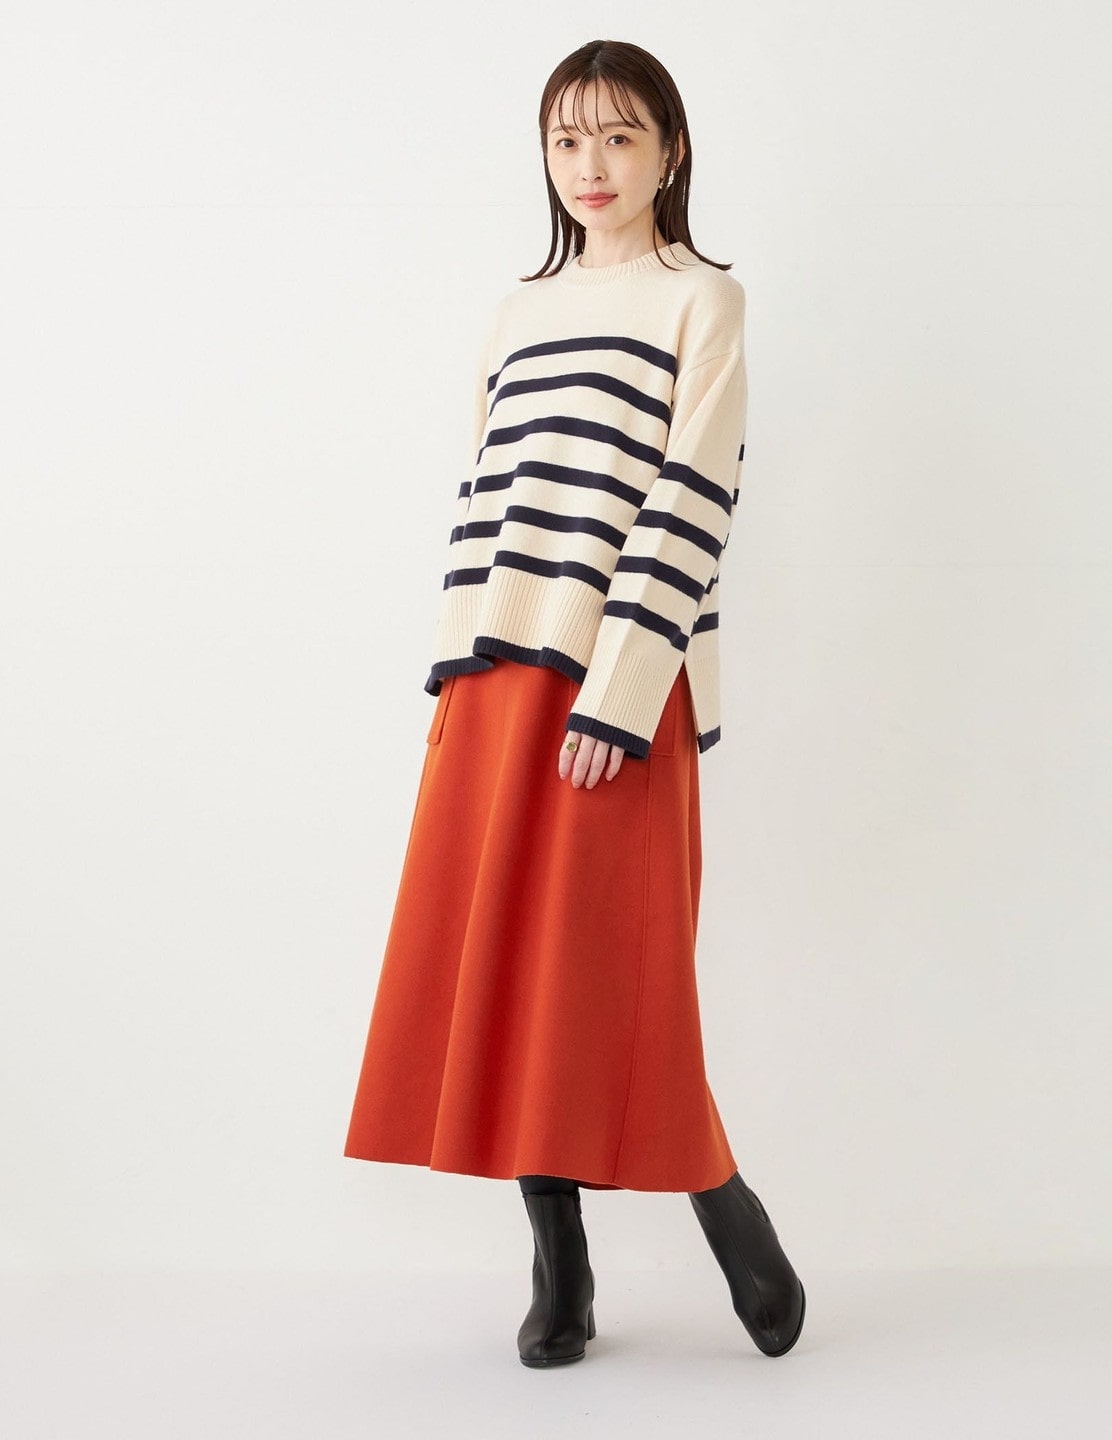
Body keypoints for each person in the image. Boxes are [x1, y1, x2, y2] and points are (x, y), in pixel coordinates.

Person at [343, 38, 804, 1367]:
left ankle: (727, 1209)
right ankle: (561, 1264)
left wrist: (622, 692)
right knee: (508, 970)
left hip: (618, 686)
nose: (589, 166)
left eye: (618, 136)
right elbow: (484, 500)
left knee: (621, 972)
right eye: (566, 139)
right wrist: (453, 671)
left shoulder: (702, 300)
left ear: (670, 149)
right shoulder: (518, 310)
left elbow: (694, 496)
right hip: (496, 677)